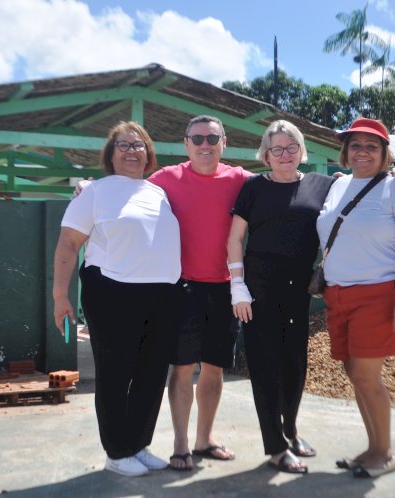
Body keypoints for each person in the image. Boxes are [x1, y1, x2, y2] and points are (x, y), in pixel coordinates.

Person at [77, 115, 251, 471]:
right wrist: (88, 185)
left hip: (223, 290)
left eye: (212, 139)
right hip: (181, 289)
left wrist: (345, 180)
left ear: (224, 144)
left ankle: (205, 439)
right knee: (182, 369)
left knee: (215, 370)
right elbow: (125, 185)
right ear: (186, 144)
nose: (205, 145)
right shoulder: (164, 180)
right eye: (198, 138)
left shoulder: (241, 180)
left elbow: (285, 182)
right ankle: (181, 445)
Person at [52, 121, 181, 477]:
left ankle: (138, 445)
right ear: (110, 155)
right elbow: (68, 244)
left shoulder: (158, 192)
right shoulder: (94, 192)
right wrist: (60, 294)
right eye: (122, 145)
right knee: (115, 375)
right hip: (112, 292)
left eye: (138, 145)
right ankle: (116, 451)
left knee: (151, 375)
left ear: (148, 153)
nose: (131, 150)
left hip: (161, 294)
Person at [316, 118, 395, 478]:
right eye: (355, 145)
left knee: (366, 375)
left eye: (372, 146)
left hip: (378, 294)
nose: (362, 152)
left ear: (384, 153)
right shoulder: (336, 186)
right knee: (353, 371)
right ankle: (372, 447)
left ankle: (385, 453)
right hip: (337, 294)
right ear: (345, 152)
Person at [226, 120, 332, 474]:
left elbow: (359, 191)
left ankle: (290, 430)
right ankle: (275, 446)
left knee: (295, 363)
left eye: (291, 147)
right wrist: (237, 286)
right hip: (258, 286)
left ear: (301, 150)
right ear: (265, 155)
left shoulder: (323, 185)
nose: (285, 155)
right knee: (265, 364)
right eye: (277, 149)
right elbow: (234, 239)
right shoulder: (253, 188)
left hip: (299, 286)